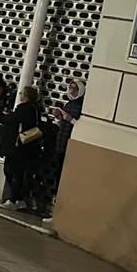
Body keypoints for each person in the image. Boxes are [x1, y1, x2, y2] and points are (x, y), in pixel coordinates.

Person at [43, 77, 85, 223]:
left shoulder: (81, 106)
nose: (72, 90)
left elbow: (79, 124)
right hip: (61, 144)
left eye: (75, 88)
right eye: (70, 87)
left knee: (62, 177)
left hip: (69, 145)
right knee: (57, 175)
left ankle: (59, 213)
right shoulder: (69, 103)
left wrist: (69, 119)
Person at [0, 86, 43, 211]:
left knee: (13, 171)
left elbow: (12, 119)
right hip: (23, 146)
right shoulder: (34, 109)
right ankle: (18, 199)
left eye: (23, 93)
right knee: (14, 171)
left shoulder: (27, 109)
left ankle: (14, 199)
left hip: (19, 146)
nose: (21, 95)